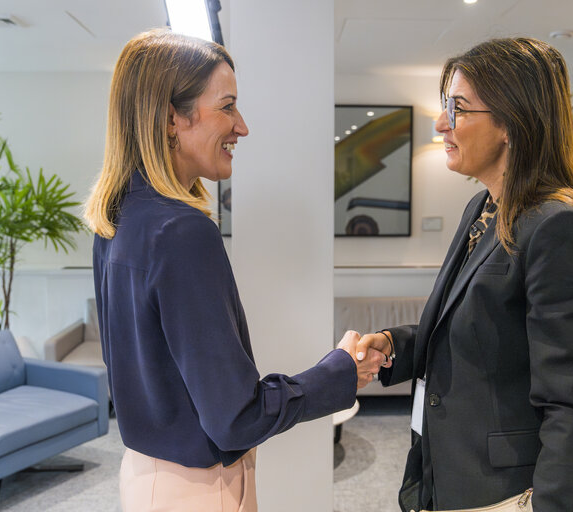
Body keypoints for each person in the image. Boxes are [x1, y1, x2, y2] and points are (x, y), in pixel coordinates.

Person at [83, 29, 388, 512]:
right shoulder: (181, 231)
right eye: (227, 107)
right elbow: (235, 417)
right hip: (198, 491)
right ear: (170, 117)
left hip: (146, 477)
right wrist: (340, 371)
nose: (241, 126)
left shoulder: (116, 217)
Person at [355, 37, 573, 512]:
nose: (440, 125)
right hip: (448, 465)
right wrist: (395, 344)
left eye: (457, 110)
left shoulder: (559, 226)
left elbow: (571, 405)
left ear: (512, 123)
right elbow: (477, 334)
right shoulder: (484, 207)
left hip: (504, 492)